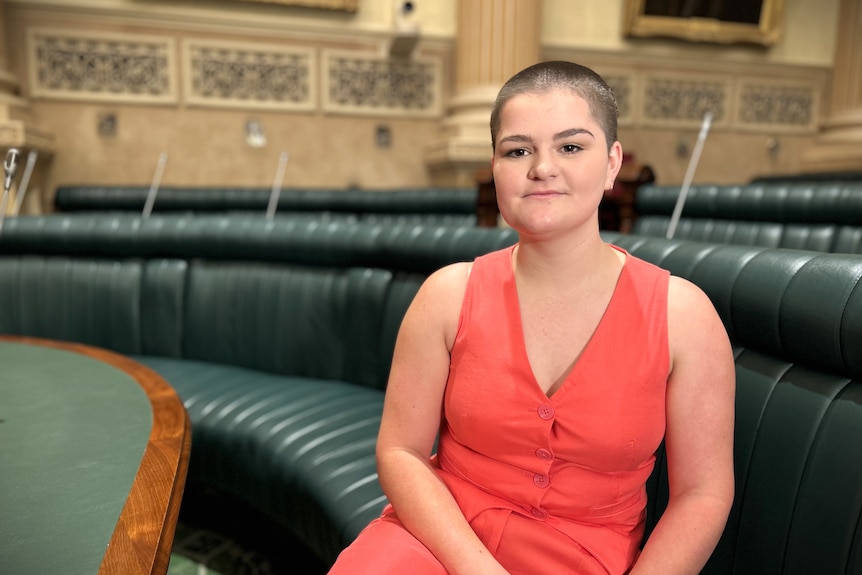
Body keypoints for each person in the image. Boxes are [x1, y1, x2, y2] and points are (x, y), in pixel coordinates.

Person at [327, 60, 735, 575]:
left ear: (612, 163)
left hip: (587, 555)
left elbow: (703, 493)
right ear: (494, 168)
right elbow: (402, 452)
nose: (542, 167)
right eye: (517, 150)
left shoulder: (685, 316)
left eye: (570, 146)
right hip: (439, 539)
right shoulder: (447, 295)